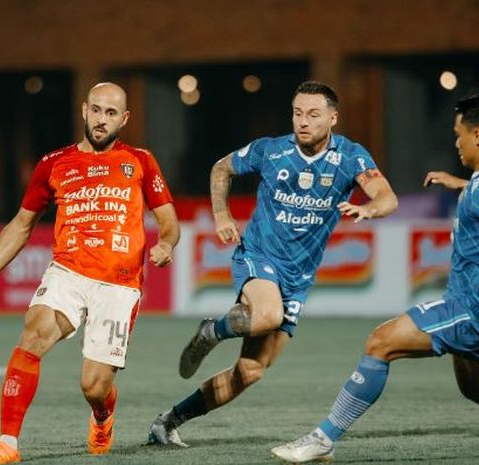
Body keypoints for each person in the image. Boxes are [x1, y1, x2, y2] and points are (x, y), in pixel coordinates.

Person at [270, 91, 479, 462]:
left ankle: (323, 439)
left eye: (458, 135)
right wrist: (460, 184)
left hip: (471, 307)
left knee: (380, 343)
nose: (455, 143)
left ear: (478, 136)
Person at [147, 80, 398, 447]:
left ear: (333, 118)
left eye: (313, 114)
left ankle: (169, 421)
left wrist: (369, 208)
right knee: (267, 316)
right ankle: (212, 331)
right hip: (259, 256)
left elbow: (387, 197)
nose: (303, 122)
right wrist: (221, 215)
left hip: (298, 278)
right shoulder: (271, 150)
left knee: (250, 371)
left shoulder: (350, 157)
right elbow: (221, 169)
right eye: (297, 113)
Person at [0, 82, 180, 464]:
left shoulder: (140, 160)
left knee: (94, 385)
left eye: (111, 113)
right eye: (96, 110)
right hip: (67, 272)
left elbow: (168, 221)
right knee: (34, 332)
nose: (102, 119)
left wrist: (166, 245)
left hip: (119, 284)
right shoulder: (53, 163)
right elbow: (20, 226)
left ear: (124, 118)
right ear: (84, 110)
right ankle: (7, 444)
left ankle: (102, 414)